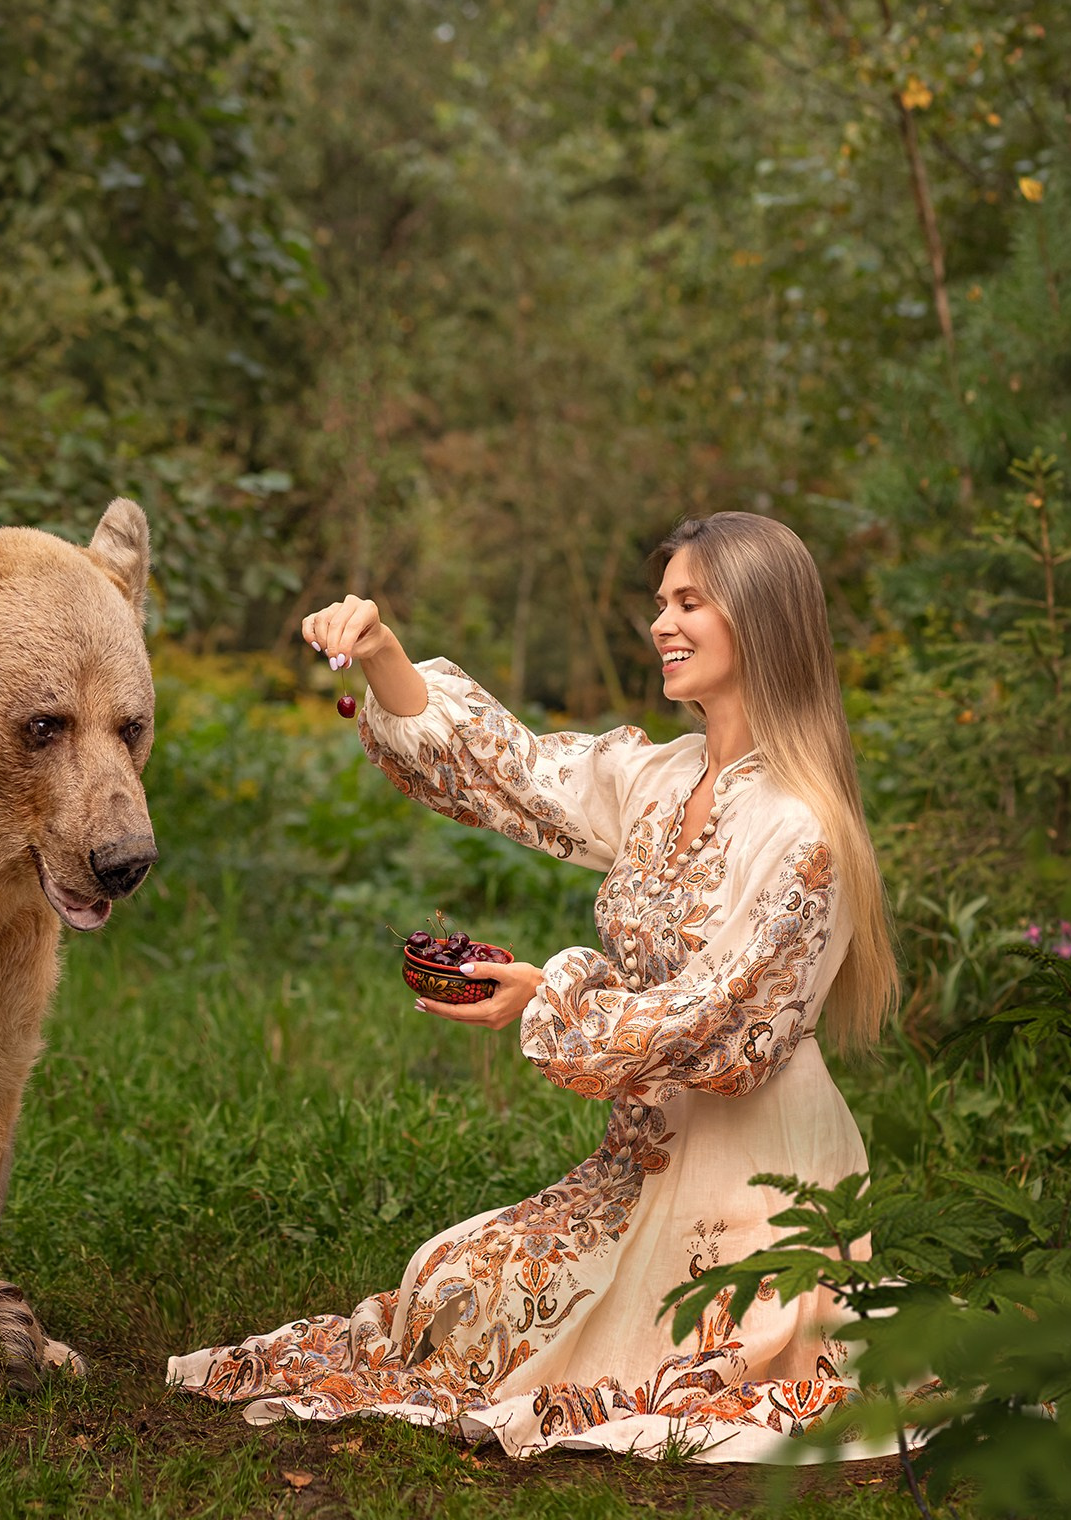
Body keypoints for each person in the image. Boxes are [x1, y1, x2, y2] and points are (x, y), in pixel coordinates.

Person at [165, 511, 900, 1462]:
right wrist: (386, 653)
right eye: (659, 604)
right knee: (442, 1285)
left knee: (626, 1373)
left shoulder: (804, 828)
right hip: (642, 1161)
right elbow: (512, 773)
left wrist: (545, 993)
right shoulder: (664, 777)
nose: (660, 625)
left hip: (755, 1178)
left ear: (759, 622)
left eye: (689, 603)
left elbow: (720, 1029)